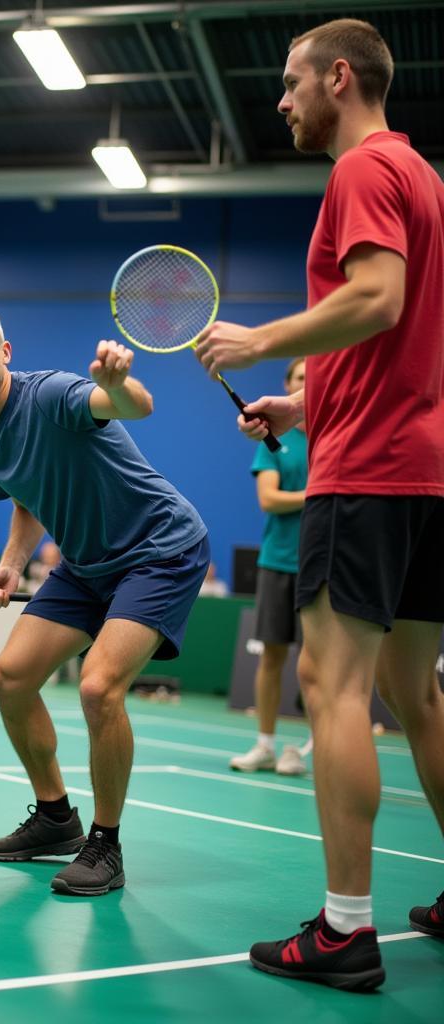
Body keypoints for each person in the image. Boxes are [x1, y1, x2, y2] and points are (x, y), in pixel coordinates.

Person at [194, 18, 444, 990]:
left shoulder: (361, 171)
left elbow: (376, 299)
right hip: (423, 466)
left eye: (292, 83)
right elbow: (401, 335)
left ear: (339, 78)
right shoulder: (421, 175)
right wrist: (302, 399)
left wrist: (262, 343)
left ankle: (344, 929)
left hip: (367, 472)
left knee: (334, 691)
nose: (281, 101)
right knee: (415, 694)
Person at [0, 296, 209, 897]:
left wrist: (118, 383)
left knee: (98, 686)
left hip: (160, 549)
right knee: (10, 678)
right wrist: (10, 565)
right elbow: (26, 497)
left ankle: (104, 845)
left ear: (5, 352)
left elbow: (135, 405)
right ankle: (56, 817)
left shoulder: (53, 394)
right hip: (86, 566)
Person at [230, 358, 311, 776]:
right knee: (273, 657)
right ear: (287, 387)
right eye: (299, 378)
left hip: (325, 563)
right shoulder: (275, 441)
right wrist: (321, 493)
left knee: (318, 662)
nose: (305, 384)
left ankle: (314, 746)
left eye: (311, 379)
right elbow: (270, 499)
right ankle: (264, 744)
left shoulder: (333, 436)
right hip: (279, 560)